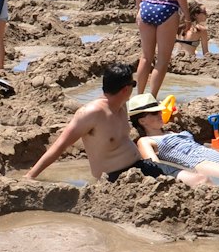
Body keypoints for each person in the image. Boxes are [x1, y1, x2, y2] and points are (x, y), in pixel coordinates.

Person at [26, 62, 166, 182]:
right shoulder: (91, 113)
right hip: (118, 178)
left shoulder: (121, 105)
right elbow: (60, 145)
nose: (133, 88)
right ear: (125, 89)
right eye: (133, 84)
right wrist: (30, 176)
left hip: (140, 166)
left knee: (187, 178)